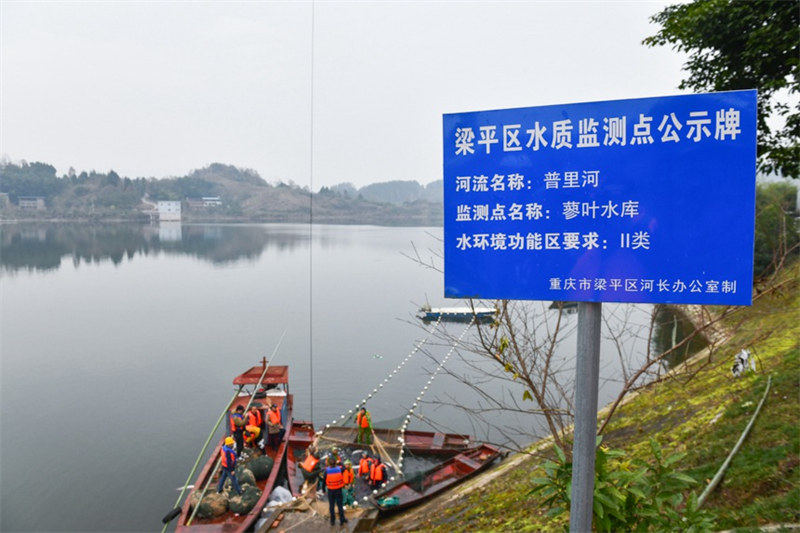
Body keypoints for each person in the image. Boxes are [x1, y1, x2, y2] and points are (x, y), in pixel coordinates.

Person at [324, 456, 348, 526]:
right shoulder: (339, 469)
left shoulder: (326, 471)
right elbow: (344, 467)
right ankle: (342, 519)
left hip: (330, 490)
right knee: (340, 505)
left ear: (329, 464)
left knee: (331, 506)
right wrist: (340, 462)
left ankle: (332, 521)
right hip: (338, 490)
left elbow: (324, 481)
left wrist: (323, 489)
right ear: (335, 463)